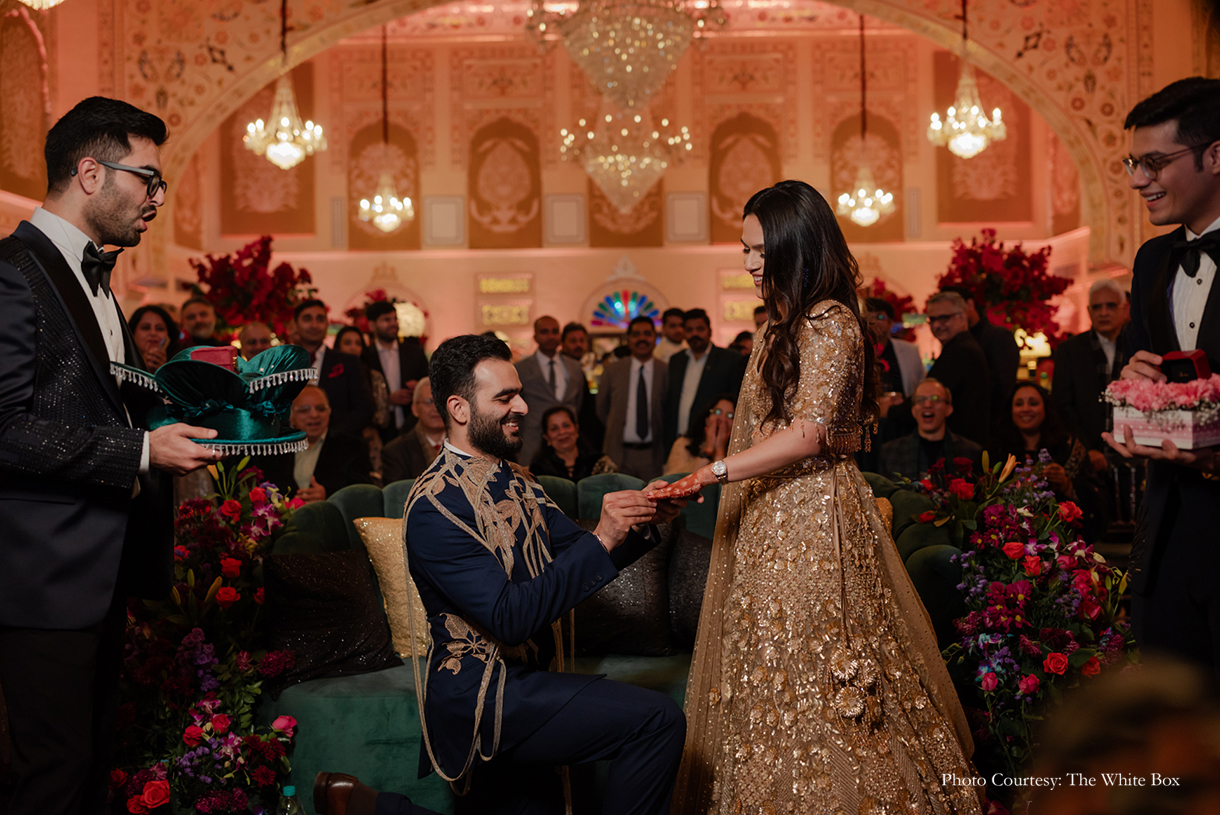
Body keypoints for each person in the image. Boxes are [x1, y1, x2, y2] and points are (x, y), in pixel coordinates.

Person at [655, 180, 981, 814]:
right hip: (765, 519)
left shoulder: (831, 322)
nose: (747, 263)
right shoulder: (782, 325)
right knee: (764, 667)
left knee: (818, 667)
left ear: (792, 246)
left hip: (812, 520)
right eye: (744, 249)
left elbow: (807, 435)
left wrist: (711, 472)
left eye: (757, 250)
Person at [335, 333, 688, 815]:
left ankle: (368, 807)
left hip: (527, 678)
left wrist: (643, 520)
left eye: (518, 392)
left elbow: (575, 551)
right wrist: (604, 536)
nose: (522, 406)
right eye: (504, 397)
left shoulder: (516, 478)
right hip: (482, 695)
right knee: (657, 720)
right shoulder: (435, 507)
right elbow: (508, 618)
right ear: (459, 409)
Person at [0, 96, 220, 815]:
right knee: (54, 779)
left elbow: (104, 407)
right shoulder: (12, 272)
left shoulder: (98, 279)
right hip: (41, 581)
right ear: (90, 173)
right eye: (148, 178)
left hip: (100, 574)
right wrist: (139, 451)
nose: (157, 198)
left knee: (92, 769)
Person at [1104, 78, 1220, 678]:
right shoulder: (1152, 260)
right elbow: (1129, 383)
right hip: (1169, 535)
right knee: (1176, 742)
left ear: (1215, 155)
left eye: (1153, 162)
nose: (1136, 180)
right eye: (1133, 162)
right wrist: (1131, 385)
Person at [995, 382, 1108, 539]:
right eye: (1019, 404)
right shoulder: (997, 449)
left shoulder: (1069, 446)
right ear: (1011, 410)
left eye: (1033, 403)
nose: (1026, 409)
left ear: (1045, 408)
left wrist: (1066, 484)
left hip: (1062, 539)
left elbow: (1095, 502)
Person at [1052, 279, 1130, 471]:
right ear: (1088, 311)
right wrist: (1086, 449)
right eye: (1097, 307)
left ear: (1124, 308)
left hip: (1134, 451)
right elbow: (1062, 406)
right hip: (1086, 455)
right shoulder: (1069, 350)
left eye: (1111, 306)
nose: (1103, 313)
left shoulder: (1139, 346)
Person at [252, 385, 373, 502]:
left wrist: (329, 495)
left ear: (329, 411)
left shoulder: (353, 448)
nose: (314, 415)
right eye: (304, 410)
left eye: (321, 409)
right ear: (290, 415)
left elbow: (365, 495)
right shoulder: (274, 449)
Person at [661, 308, 747, 453]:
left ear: (709, 330)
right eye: (690, 329)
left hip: (713, 444)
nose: (695, 334)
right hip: (679, 442)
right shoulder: (677, 360)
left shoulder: (730, 359)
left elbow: (736, 402)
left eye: (700, 329)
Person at [940, 283, 1020, 432]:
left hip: (992, 429)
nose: (942, 323)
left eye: (950, 311)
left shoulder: (999, 337)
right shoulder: (952, 343)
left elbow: (1003, 390)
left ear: (969, 304)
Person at [597, 315, 669, 481]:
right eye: (636, 334)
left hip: (653, 456)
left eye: (647, 334)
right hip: (618, 453)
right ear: (628, 339)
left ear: (655, 338)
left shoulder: (666, 371)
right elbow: (601, 409)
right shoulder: (612, 371)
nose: (642, 338)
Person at [294, 298, 375, 438]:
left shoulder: (348, 362)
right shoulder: (282, 365)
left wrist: (330, 436)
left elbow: (365, 409)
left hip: (339, 446)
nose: (314, 325)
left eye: (320, 319)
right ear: (295, 325)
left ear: (326, 324)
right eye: (307, 319)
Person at [514, 315, 587, 467]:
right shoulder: (521, 368)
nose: (550, 336)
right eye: (544, 332)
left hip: (569, 443)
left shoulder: (574, 367)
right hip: (533, 440)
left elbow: (579, 404)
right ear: (535, 336)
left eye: (554, 331)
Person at [878, 378, 983, 481]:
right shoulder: (890, 453)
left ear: (948, 409)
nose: (927, 405)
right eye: (920, 400)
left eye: (935, 399)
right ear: (913, 411)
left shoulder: (970, 453)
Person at [924, 290, 991, 447]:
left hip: (963, 446)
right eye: (932, 319)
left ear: (962, 317)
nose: (936, 325)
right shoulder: (962, 346)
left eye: (944, 318)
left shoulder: (960, 351)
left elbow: (930, 398)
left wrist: (890, 411)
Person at [361, 301, 429, 442]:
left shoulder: (414, 353)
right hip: (380, 431)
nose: (393, 323)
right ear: (372, 325)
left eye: (395, 319)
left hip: (413, 425)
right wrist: (387, 400)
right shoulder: (365, 356)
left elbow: (429, 383)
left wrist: (418, 387)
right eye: (387, 320)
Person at [380, 377, 446, 484]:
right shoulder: (395, 452)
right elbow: (398, 498)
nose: (436, 408)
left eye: (440, 402)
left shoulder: (467, 445)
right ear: (414, 409)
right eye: (429, 401)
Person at [529, 405, 617, 482]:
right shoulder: (538, 469)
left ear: (576, 428)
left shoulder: (600, 462)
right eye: (554, 429)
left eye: (566, 425)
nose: (562, 432)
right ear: (546, 436)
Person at [663, 395, 735, 476]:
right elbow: (677, 481)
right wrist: (708, 450)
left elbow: (724, 484)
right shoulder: (683, 444)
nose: (722, 419)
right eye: (717, 412)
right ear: (707, 418)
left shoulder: (738, 452)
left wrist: (719, 451)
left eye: (730, 416)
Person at [127, 304, 178, 373]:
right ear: (132, 332)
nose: (153, 333)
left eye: (160, 329)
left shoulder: (178, 368)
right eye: (145, 327)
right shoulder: (121, 364)